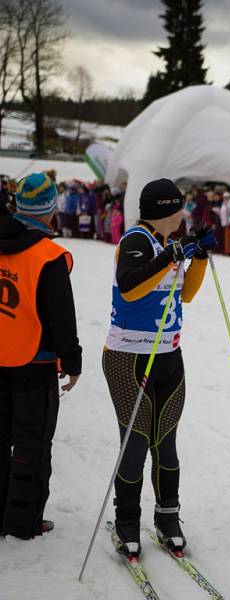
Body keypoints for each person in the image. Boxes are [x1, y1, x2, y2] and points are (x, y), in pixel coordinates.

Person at [102, 178, 216, 558]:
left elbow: (186, 294)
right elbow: (130, 287)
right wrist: (170, 257)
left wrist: (197, 257)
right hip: (128, 358)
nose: (184, 213)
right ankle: (127, 521)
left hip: (168, 355)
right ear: (168, 210)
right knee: (135, 444)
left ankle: (168, 518)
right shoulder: (136, 241)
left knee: (165, 444)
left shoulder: (168, 243)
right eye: (180, 207)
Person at [0, 172, 81, 539]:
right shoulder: (48, 255)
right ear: (50, 212)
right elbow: (61, 315)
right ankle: (23, 520)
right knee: (33, 444)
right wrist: (72, 360)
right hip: (35, 362)